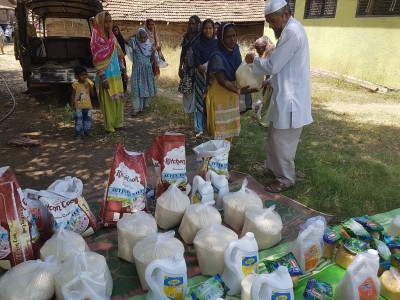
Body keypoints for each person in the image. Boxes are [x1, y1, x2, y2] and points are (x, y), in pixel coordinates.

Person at [245, 0, 313, 193]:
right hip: (285, 94)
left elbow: (274, 65)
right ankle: (274, 170)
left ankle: (286, 179)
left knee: (283, 141)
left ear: (285, 14)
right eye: (269, 22)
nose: (271, 26)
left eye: (273, 21)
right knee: (275, 136)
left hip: (292, 98)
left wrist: (254, 60)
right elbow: (286, 68)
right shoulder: (289, 30)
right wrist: (271, 81)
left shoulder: (292, 31)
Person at [206, 22, 257, 141]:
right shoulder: (217, 56)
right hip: (220, 95)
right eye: (229, 37)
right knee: (219, 130)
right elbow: (222, 81)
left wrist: (255, 82)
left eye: (234, 35)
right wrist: (238, 90)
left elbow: (239, 71)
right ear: (221, 38)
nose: (233, 39)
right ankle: (218, 156)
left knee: (229, 129)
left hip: (231, 94)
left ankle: (224, 155)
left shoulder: (235, 50)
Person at [90, 11, 127, 133]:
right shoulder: (96, 40)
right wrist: (103, 78)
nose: (108, 24)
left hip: (116, 75)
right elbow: (97, 61)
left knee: (118, 99)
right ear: (99, 24)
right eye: (105, 22)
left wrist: (124, 72)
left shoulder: (113, 38)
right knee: (109, 102)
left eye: (110, 21)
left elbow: (119, 56)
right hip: (106, 76)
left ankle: (118, 123)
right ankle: (109, 126)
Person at [192, 19, 218, 138]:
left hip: (216, 77)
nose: (208, 30)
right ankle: (199, 128)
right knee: (200, 101)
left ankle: (211, 126)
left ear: (214, 30)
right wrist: (206, 73)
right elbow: (197, 63)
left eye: (210, 28)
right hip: (202, 76)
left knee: (212, 102)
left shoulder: (218, 44)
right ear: (202, 30)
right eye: (205, 28)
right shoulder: (198, 44)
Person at [128, 28, 157, 116]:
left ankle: (143, 107)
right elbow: (124, 40)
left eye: (145, 37)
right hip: (137, 70)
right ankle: (136, 108)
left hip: (147, 70)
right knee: (136, 88)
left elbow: (151, 60)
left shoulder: (149, 45)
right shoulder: (134, 44)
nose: (143, 39)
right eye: (141, 38)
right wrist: (134, 35)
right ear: (138, 37)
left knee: (145, 88)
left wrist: (154, 51)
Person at [178, 15, 201, 114]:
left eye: (193, 24)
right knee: (187, 90)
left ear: (198, 25)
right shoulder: (186, 37)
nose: (191, 26)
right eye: (190, 23)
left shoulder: (201, 37)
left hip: (198, 68)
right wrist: (180, 67)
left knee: (197, 90)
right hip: (187, 68)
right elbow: (183, 53)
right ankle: (187, 111)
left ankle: (195, 111)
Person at [253, 35, 275, 126]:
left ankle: (268, 119)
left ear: (265, 46)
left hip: (274, 82)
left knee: (269, 101)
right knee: (266, 99)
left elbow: (274, 71)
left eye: (259, 49)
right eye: (256, 49)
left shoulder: (272, 54)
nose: (258, 51)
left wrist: (267, 82)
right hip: (270, 81)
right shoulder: (266, 54)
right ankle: (262, 115)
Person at [71, 66, 95, 139]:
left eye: (86, 74)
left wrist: (91, 87)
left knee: (88, 120)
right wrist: (72, 106)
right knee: (79, 121)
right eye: (82, 75)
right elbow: (73, 96)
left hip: (88, 106)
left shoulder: (88, 84)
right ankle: (78, 134)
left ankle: (87, 131)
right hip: (78, 106)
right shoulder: (75, 84)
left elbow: (92, 95)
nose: (85, 76)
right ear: (77, 76)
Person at [112, 25, 128, 91]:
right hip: (114, 59)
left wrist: (122, 54)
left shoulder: (121, 39)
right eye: (114, 30)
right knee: (116, 73)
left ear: (119, 31)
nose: (115, 32)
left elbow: (125, 48)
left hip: (121, 58)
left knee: (123, 72)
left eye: (116, 30)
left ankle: (124, 87)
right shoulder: (111, 39)